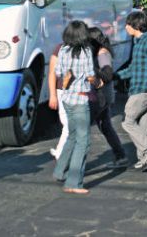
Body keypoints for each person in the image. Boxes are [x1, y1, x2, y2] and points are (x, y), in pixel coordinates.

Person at [118, 11, 147, 172]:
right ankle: (146, 159)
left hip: (143, 90)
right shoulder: (138, 42)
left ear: (136, 25)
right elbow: (133, 69)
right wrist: (115, 76)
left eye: (128, 24)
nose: (126, 27)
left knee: (127, 121)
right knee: (143, 124)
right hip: (138, 88)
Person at [52, 21, 96, 194]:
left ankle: (59, 171)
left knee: (72, 135)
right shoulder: (86, 51)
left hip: (66, 98)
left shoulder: (63, 49)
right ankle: (73, 182)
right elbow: (90, 76)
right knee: (83, 141)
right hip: (80, 99)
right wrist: (97, 82)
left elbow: (58, 73)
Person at [87, 27, 128, 169]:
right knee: (106, 127)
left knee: (83, 129)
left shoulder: (102, 53)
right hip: (104, 95)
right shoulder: (101, 51)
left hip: (101, 96)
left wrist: (90, 69)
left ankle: (76, 162)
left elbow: (108, 75)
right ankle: (121, 155)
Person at [48, 41, 69, 159]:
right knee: (68, 125)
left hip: (68, 91)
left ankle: (61, 153)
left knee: (69, 125)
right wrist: (53, 95)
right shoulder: (60, 48)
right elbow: (52, 73)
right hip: (63, 91)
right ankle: (60, 154)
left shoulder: (84, 47)